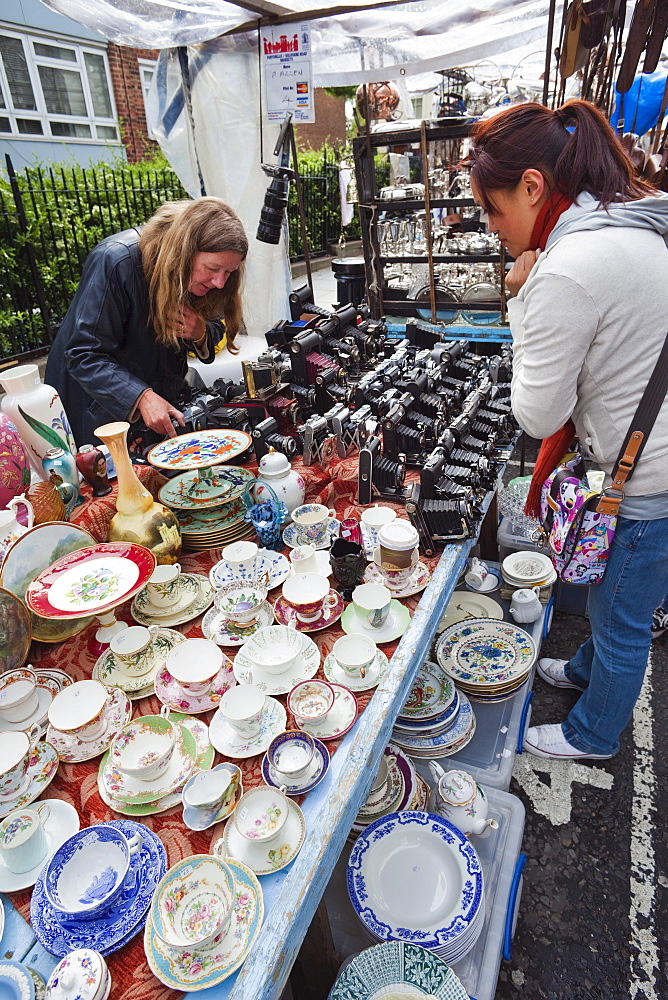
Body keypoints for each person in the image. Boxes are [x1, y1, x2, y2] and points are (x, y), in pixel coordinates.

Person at [466, 99, 668, 761]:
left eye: (494, 209)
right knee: (611, 599)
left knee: (621, 618)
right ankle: (585, 670)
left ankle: (594, 733)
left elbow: (536, 415)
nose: (494, 229)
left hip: (649, 478)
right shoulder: (625, 224)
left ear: (532, 186)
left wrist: (520, 301)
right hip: (654, 450)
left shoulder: (566, 268)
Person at [45, 197, 248, 447]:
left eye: (228, 272)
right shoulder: (116, 260)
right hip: (100, 412)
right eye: (212, 269)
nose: (219, 282)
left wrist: (200, 332)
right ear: (183, 253)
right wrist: (140, 396)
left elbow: (214, 327)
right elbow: (83, 353)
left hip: (162, 407)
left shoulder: (209, 273)